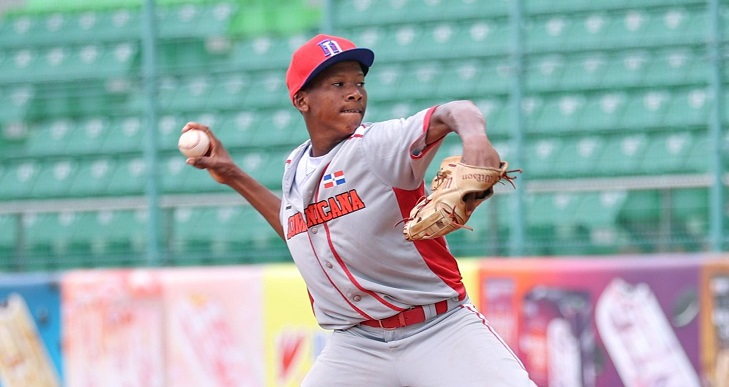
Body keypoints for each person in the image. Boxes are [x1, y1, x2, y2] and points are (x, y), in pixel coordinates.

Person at [183, 34, 535, 386]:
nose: (354, 92)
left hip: (438, 331)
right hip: (355, 347)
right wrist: (232, 175)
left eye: (359, 83)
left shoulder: (378, 145)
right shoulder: (295, 165)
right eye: (338, 84)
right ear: (302, 100)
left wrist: (474, 138)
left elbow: (457, 110)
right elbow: (300, 231)